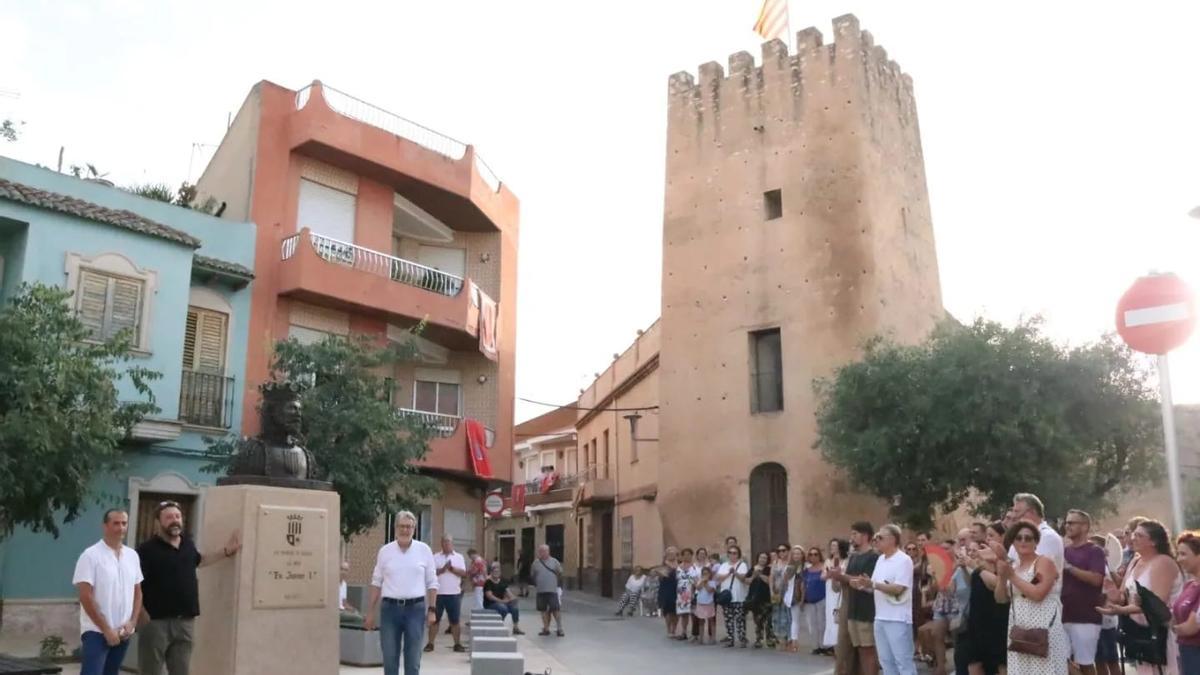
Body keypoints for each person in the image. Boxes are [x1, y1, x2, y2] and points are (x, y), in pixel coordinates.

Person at [136, 500, 240, 675]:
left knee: (181, 671)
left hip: (185, 622)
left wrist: (226, 551)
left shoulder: (187, 544)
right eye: (169, 517)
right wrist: (140, 613)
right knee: (150, 671)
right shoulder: (145, 550)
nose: (175, 520)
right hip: (155, 623)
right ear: (158, 522)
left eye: (177, 516)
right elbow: (134, 583)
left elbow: (200, 560)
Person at [1099, 519, 1181, 675]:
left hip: (1163, 633)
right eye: (1134, 534)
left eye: (1139, 535)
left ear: (1154, 541)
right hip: (1141, 633)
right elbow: (1123, 595)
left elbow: (1157, 605)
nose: (1133, 538)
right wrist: (1114, 594)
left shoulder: (1163, 563)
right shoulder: (1135, 561)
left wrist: (1121, 610)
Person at [364, 511, 439, 675]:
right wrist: (370, 612)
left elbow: (432, 582)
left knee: (412, 661)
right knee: (390, 659)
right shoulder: (385, 551)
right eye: (402, 526)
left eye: (409, 527)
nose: (405, 530)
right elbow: (376, 582)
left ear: (414, 529)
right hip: (390, 610)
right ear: (395, 527)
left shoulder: (424, 550)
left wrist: (432, 610)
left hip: (415, 610)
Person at [74, 509, 143, 675]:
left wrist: (132, 622)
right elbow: (85, 596)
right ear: (105, 526)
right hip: (97, 632)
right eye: (116, 523)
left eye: (124, 523)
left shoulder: (132, 556)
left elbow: (138, 593)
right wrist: (106, 629)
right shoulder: (90, 556)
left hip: (123, 632)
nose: (121, 528)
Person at [996, 520, 1068, 675]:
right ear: (1013, 542)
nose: (1023, 541)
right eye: (1018, 537)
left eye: (1028, 538)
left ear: (1036, 542)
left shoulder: (1044, 562)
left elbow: (1038, 594)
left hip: (1043, 629)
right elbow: (1000, 599)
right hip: (1020, 632)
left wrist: (1012, 577)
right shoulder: (1013, 566)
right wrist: (1002, 578)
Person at [850, 524, 915, 675]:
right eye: (876, 537)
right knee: (886, 662)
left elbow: (899, 588)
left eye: (880, 537)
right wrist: (862, 585)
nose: (876, 540)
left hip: (898, 619)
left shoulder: (903, 560)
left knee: (903, 662)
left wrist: (872, 584)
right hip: (880, 617)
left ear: (892, 539)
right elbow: (874, 587)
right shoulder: (880, 560)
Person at [830, 521, 881, 675]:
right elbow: (846, 582)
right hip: (852, 608)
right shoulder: (853, 557)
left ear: (865, 536)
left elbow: (863, 582)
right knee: (853, 650)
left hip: (866, 610)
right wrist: (836, 576)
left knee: (868, 651)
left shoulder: (873, 557)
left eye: (855, 534)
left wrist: (842, 576)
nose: (851, 538)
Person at [1061, 510, 1107, 675]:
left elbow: (1096, 579)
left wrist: (1069, 567)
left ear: (1085, 526)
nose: (1068, 526)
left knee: (1086, 664)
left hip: (1086, 616)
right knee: (1061, 662)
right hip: (1063, 614)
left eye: (1072, 523)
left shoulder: (1095, 551)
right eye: (1067, 522)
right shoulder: (1064, 551)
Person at [964, 522, 1009, 675]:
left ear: (1003, 537)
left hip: (996, 619)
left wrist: (978, 567)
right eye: (987, 536)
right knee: (974, 665)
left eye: (992, 536)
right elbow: (971, 583)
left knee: (999, 665)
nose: (988, 539)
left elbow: (998, 584)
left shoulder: (1004, 560)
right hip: (977, 619)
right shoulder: (982, 560)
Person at [1010, 493, 1065, 587]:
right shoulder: (1019, 537)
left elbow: (1040, 576)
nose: (1013, 516)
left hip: (1040, 599)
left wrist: (1019, 592)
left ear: (1031, 512)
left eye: (1017, 512)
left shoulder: (1048, 537)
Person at [426, 534, 467, 653]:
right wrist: (443, 569)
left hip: (454, 594)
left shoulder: (458, 557)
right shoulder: (435, 557)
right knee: (435, 620)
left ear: (452, 543)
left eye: (448, 542)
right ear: (441, 543)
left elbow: (464, 573)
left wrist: (452, 569)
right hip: (438, 594)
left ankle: (457, 644)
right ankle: (430, 643)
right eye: (444, 542)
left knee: (455, 620)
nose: (446, 544)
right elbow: (431, 573)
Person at [1087, 534, 1121, 675]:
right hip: (1091, 619)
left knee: (1112, 659)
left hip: (1107, 620)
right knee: (1098, 659)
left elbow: (1118, 586)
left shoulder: (1107, 567)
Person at [1171, 532, 1200, 675]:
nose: (1179, 559)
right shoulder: (1189, 585)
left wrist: (1172, 627)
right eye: (1178, 554)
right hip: (1186, 654)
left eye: (1183, 554)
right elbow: (1174, 616)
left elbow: (1191, 627)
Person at [716, 544, 751, 648]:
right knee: (728, 619)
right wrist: (728, 573)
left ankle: (742, 639)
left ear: (738, 554)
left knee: (740, 619)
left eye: (734, 553)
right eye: (730, 553)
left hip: (739, 596)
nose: (732, 555)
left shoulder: (742, 565)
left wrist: (735, 572)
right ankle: (730, 639)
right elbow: (719, 578)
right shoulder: (724, 565)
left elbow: (743, 578)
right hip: (727, 596)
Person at [530, 544, 565, 637]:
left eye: (545, 551)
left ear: (548, 552)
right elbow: (533, 575)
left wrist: (558, 586)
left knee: (555, 609)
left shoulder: (554, 562)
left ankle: (559, 628)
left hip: (552, 590)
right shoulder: (535, 563)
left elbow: (560, 573)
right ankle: (546, 628)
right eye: (541, 551)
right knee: (543, 610)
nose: (543, 553)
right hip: (541, 590)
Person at [823, 538, 850, 657]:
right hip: (830, 589)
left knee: (841, 614)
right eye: (831, 545)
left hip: (842, 588)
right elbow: (822, 576)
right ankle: (834, 645)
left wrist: (839, 574)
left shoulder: (846, 560)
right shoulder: (828, 561)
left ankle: (842, 645)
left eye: (835, 545)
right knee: (831, 615)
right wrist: (831, 574)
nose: (832, 547)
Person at [483, 563, 525, 635]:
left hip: (502, 602)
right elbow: (489, 596)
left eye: (498, 572)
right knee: (503, 608)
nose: (496, 573)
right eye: (495, 572)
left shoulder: (502, 582)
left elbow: (508, 591)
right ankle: (499, 625)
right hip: (490, 603)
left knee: (515, 608)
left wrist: (513, 598)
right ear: (491, 573)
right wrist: (502, 601)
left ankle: (516, 628)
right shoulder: (488, 582)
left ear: (500, 573)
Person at [746, 551, 776, 648]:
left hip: (766, 598)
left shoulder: (769, 569)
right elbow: (747, 581)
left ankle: (769, 639)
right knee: (758, 620)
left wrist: (760, 575)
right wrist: (754, 575)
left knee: (768, 620)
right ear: (758, 558)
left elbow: (769, 581)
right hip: (755, 598)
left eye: (765, 558)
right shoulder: (752, 568)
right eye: (761, 557)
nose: (762, 559)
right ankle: (759, 639)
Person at [804, 546, 829, 654]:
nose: (813, 556)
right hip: (809, 600)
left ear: (819, 556)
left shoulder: (824, 567)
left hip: (821, 598)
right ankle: (815, 646)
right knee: (811, 624)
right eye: (811, 554)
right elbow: (803, 585)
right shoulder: (806, 570)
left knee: (822, 623)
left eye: (815, 554)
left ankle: (823, 645)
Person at [772, 543, 794, 652]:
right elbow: (771, 577)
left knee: (787, 615)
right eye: (779, 551)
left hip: (787, 591)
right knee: (777, 614)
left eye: (784, 550)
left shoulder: (791, 563)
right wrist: (771, 591)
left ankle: (788, 639)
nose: (781, 553)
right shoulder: (775, 562)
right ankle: (779, 638)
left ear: (788, 551)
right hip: (776, 592)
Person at [675, 548, 700, 640]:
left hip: (691, 592)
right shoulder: (678, 567)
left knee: (693, 614)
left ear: (691, 556)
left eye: (689, 554)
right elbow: (676, 580)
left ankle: (695, 634)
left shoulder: (694, 568)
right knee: (683, 614)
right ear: (682, 556)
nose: (687, 556)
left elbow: (696, 581)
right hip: (681, 593)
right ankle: (684, 632)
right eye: (685, 554)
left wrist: (693, 591)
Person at [658, 546, 679, 637]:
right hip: (666, 588)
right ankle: (668, 629)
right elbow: (661, 577)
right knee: (667, 610)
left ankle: (674, 629)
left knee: (676, 610)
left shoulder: (679, 563)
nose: (671, 554)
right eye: (669, 553)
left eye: (673, 553)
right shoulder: (663, 564)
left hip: (677, 588)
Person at [694, 566, 718, 644]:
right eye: (703, 574)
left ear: (710, 574)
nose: (705, 575)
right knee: (701, 621)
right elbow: (698, 588)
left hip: (709, 603)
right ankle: (701, 638)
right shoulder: (700, 581)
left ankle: (713, 638)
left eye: (707, 573)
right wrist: (702, 581)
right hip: (700, 603)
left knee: (711, 620)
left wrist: (706, 583)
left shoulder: (712, 582)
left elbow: (710, 590)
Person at [466, 549, 488, 614]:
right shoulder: (478, 560)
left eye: (470, 556)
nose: (470, 557)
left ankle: (480, 608)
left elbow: (474, 571)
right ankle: (479, 607)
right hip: (479, 580)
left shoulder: (478, 560)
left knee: (478, 595)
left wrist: (468, 572)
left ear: (473, 554)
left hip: (479, 581)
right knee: (478, 594)